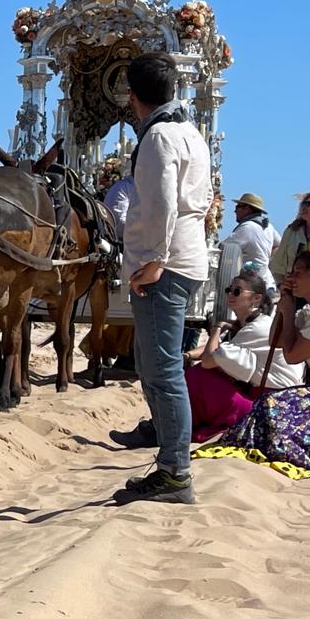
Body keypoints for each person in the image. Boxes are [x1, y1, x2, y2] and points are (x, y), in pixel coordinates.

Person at [112, 50, 212, 505]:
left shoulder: (158, 138)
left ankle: (175, 471)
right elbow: (204, 200)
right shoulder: (192, 132)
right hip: (185, 259)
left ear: (133, 96)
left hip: (165, 264)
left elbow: (160, 203)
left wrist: (153, 258)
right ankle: (170, 459)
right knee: (154, 362)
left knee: (162, 367)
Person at [196, 239, 310, 478]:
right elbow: (276, 341)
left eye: (299, 273)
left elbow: (292, 355)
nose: (292, 277)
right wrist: (285, 305)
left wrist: (286, 311)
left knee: (273, 413)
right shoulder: (309, 312)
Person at [184, 268, 301, 443]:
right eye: (229, 290)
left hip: (269, 404)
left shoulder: (256, 328)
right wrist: (187, 355)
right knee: (205, 372)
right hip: (272, 399)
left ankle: (186, 424)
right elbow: (221, 348)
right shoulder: (250, 324)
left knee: (199, 375)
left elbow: (209, 360)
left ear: (256, 298)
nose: (231, 294)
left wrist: (216, 328)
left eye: (237, 291)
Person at [223, 192, 279, 291]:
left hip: (251, 283)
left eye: (238, 207)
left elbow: (224, 247)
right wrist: (266, 262)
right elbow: (278, 246)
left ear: (247, 209)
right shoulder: (269, 227)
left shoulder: (248, 227)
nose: (235, 210)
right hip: (267, 281)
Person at [270, 188, 310, 282]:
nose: (303, 207)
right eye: (303, 203)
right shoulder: (291, 231)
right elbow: (278, 266)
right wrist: (281, 286)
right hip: (292, 288)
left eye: (308, 203)